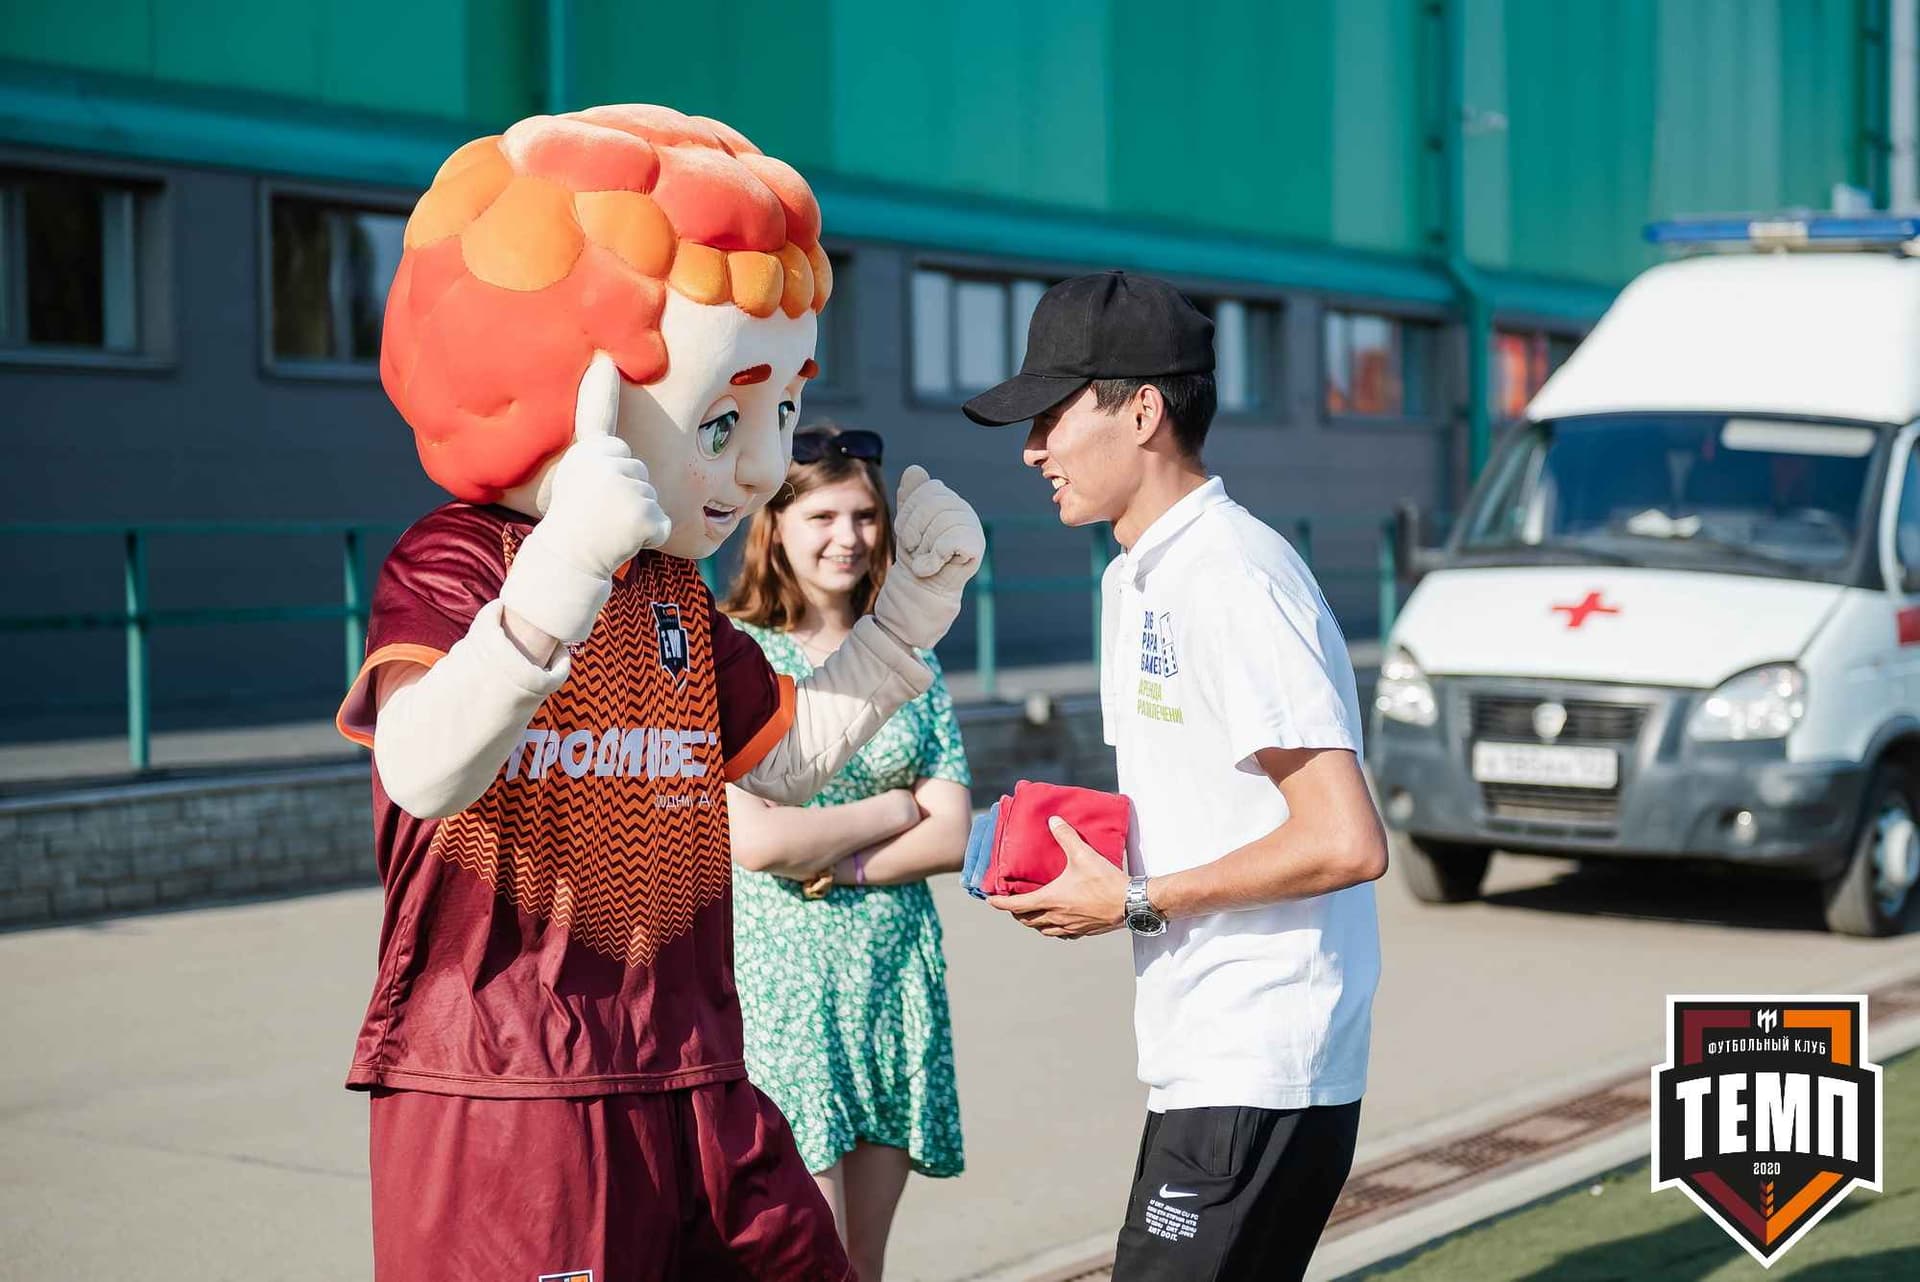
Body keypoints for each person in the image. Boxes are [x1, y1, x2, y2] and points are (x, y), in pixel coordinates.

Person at [333, 105, 984, 1282]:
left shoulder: (673, 585)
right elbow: (422, 766)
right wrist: (558, 575)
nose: (764, 466)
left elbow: (785, 757)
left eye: (782, 412)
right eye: (725, 418)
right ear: (566, 383)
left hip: (699, 1069)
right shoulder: (455, 561)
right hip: (515, 1094)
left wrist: (905, 623)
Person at [964, 271, 1388, 1282]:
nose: (1032, 449)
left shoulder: (1233, 577)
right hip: (1205, 1050)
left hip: (1261, 1053)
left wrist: (1135, 899)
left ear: (1143, 409)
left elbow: (1345, 839)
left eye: (1051, 416)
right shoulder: (1135, 575)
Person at [720, 424, 972, 1282]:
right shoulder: (742, 655)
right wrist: (894, 807)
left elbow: (953, 830)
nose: (849, 537)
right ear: (776, 525)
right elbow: (758, 840)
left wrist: (837, 862)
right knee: (806, 1255)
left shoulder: (911, 656)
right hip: (783, 989)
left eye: (865, 515)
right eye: (823, 516)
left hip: (891, 980)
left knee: (865, 1263)